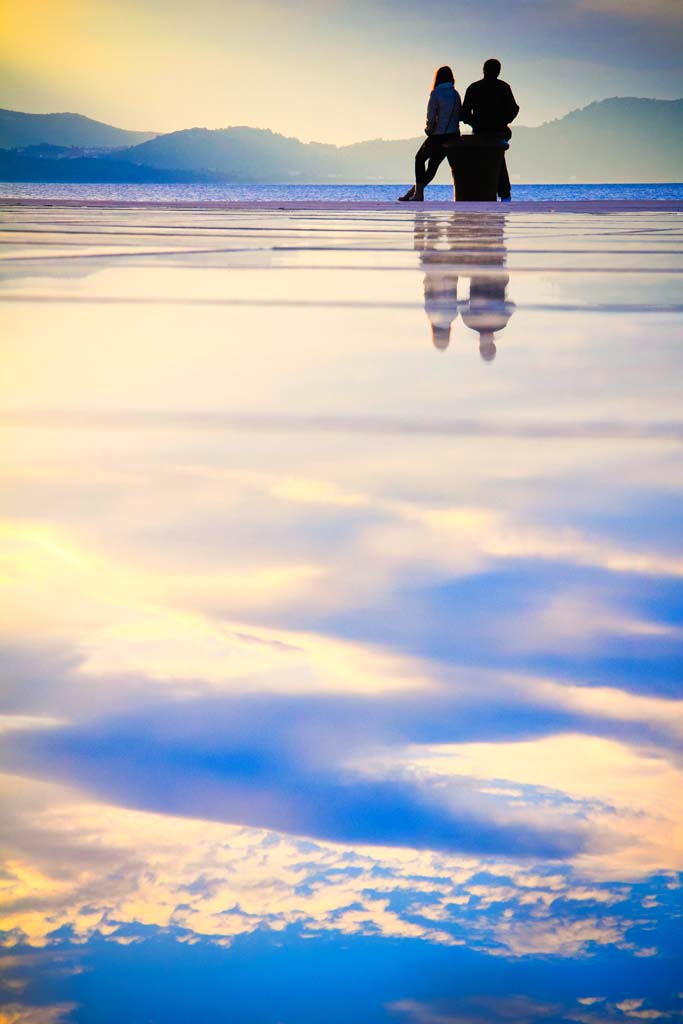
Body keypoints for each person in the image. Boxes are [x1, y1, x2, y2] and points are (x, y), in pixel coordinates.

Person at [398, 66, 461, 202]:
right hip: (453, 136)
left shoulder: (436, 94)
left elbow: (431, 116)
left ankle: (418, 194)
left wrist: (429, 130)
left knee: (419, 159)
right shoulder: (456, 94)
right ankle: (412, 193)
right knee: (433, 166)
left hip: (438, 135)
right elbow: (458, 115)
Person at [461, 58, 519, 202]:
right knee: (499, 161)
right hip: (498, 132)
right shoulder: (503, 87)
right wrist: (503, 121)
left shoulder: (474, 88)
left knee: (482, 162)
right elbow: (514, 109)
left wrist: (475, 123)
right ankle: (504, 193)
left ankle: (483, 192)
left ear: (483, 70)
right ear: (498, 72)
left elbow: (464, 114)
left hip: (479, 133)